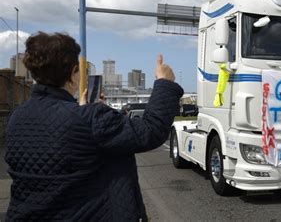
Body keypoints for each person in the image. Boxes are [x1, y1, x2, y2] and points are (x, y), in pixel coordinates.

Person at [4, 32, 183, 220]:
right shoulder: (90, 118)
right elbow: (150, 130)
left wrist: (80, 110)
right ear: (73, 74)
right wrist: (164, 83)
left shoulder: (17, 117)